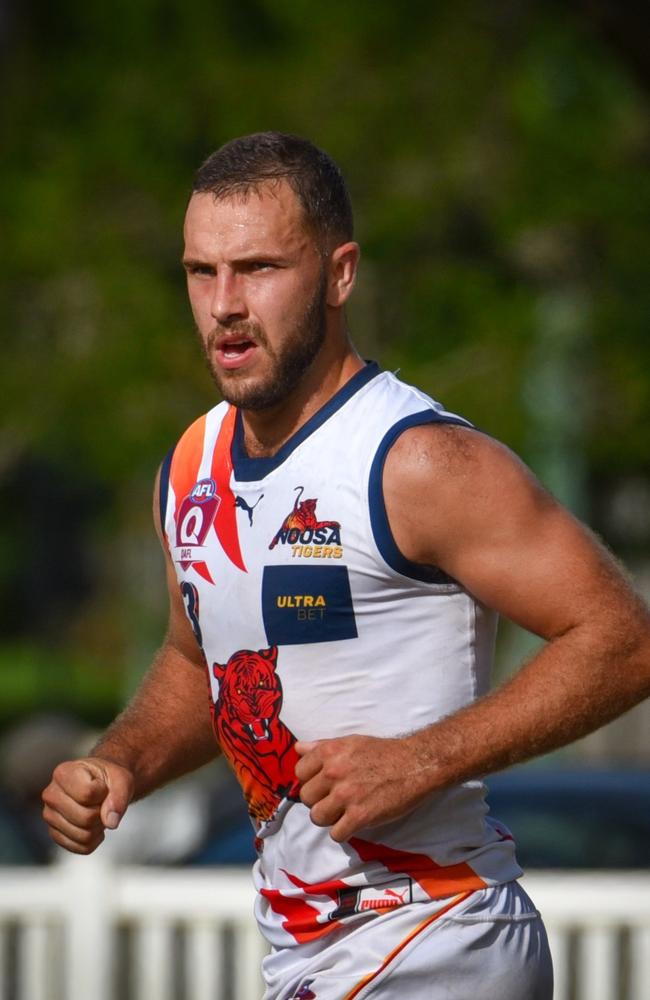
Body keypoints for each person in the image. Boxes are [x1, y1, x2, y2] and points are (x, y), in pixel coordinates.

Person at [42, 132, 650, 999]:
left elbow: (624, 640)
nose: (224, 304)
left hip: (439, 939)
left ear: (339, 274)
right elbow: (197, 662)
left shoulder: (420, 462)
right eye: (199, 272)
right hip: (311, 957)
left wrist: (421, 760)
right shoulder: (189, 468)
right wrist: (122, 764)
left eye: (257, 268)